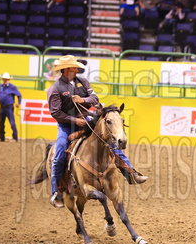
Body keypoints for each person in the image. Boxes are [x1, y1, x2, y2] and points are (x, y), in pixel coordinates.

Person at [47, 56, 148, 208]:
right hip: (67, 126)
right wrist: (75, 121)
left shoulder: (82, 82)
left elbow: (94, 98)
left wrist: (83, 101)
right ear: (67, 69)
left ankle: (130, 172)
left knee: (108, 142)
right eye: (74, 67)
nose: (77, 69)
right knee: (60, 154)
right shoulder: (55, 89)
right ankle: (56, 191)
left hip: (88, 120)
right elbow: (55, 113)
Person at [0, 72, 21, 142]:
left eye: (6, 79)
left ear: (9, 80)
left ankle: (15, 137)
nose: (5, 80)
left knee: (12, 122)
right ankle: (1, 137)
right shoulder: (0, 86)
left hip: (9, 107)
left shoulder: (12, 87)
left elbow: (19, 95)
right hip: (2, 107)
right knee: (1, 123)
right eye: (4, 79)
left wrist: (18, 102)